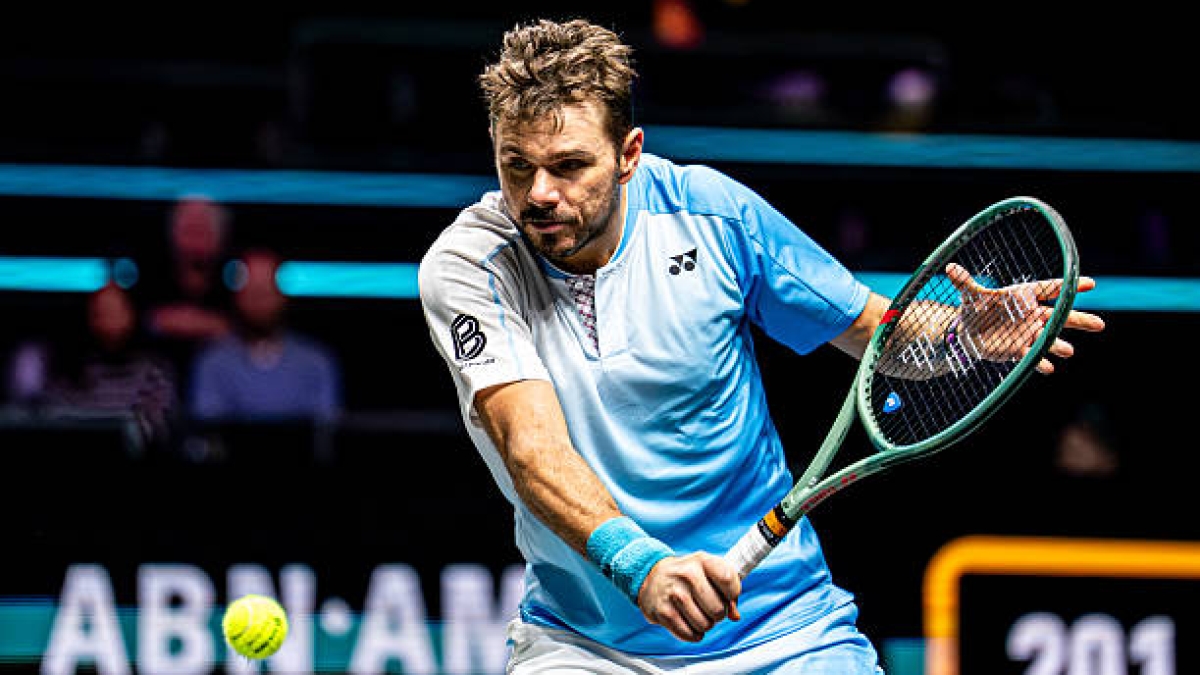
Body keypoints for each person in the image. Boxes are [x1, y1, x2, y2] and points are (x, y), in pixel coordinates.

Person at [418, 18, 1106, 674]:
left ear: (629, 155)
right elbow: (531, 449)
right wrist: (643, 566)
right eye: (516, 165)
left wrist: (963, 334)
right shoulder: (471, 264)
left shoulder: (712, 214)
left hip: (785, 631)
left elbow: (874, 332)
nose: (538, 193)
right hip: (587, 643)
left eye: (568, 165)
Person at [188, 248, 341, 422]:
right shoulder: (213, 363)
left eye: (266, 292)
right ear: (238, 296)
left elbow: (324, 430)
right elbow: (209, 428)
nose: (259, 302)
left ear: (283, 296)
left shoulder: (315, 363)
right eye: (252, 292)